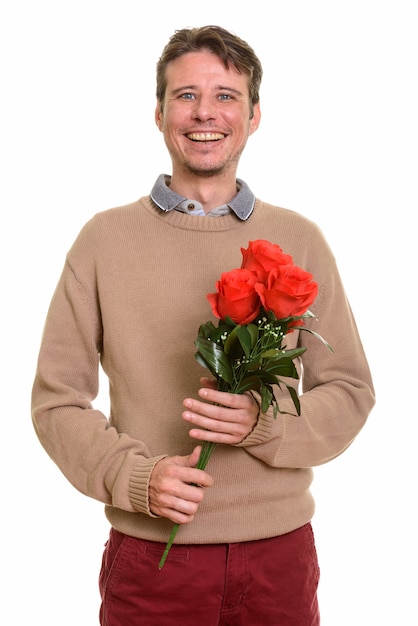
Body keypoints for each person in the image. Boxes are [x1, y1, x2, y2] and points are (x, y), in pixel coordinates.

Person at [31, 25, 375, 626]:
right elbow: (57, 401)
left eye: (225, 95)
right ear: (159, 113)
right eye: (186, 95)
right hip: (153, 558)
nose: (204, 113)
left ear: (255, 113)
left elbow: (349, 392)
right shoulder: (103, 241)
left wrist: (263, 427)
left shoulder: (300, 239)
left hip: (279, 556)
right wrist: (136, 478)